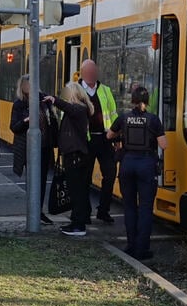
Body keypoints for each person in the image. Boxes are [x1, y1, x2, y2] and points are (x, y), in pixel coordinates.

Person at [108, 86, 167, 260]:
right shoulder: (153, 120)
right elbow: (164, 145)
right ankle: (142, 249)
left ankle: (131, 245)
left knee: (129, 207)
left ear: (132, 100)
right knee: (145, 208)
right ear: (147, 101)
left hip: (127, 165)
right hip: (146, 166)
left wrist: (121, 139)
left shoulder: (124, 118)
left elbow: (109, 136)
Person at [44, 82, 94, 236]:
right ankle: (77, 222)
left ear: (73, 94)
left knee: (77, 192)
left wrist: (54, 100)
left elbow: (69, 108)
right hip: (74, 155)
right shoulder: (79, 110)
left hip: (76, 156)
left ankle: (78, 225)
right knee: (76, 191)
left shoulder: (79, 109)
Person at [10, 74, 56, 224]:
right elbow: (14, 127)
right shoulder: (19, 104)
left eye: (33, 85)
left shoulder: (44, 101)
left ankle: (39, 211)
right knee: (32, 180)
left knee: (42, 180)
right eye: (28, 85)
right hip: (28, 148)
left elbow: (52, 121)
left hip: (44, 147)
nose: (31, 88)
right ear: (22, 87)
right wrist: (26, 121)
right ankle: (33, 211)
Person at [79, 59, 118, 224]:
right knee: (84, 178)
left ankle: (103, 210)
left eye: (94, 71)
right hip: (85, 140)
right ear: (82, 73)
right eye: (88, 72)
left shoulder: (106, 90)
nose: (91, 75)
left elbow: (113, 114)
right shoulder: (74, 90)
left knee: (110, 175)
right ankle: (85, 212)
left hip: (104, 139)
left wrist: (116, 135)